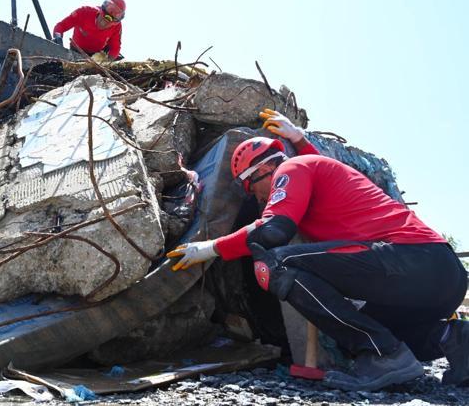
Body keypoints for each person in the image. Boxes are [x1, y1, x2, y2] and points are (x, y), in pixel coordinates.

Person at [168, 109, 468, 391]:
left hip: (410, 260)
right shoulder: (310, 168)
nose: (257, 198)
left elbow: (273, 230)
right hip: (443, 275)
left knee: (274, 265)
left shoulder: (290, 169)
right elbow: (315, 165)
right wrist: (299, 139)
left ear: (265, 169)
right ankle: (457, 341)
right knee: (378, 326)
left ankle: (383, 356)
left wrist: (211, 248)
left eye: (251, 188)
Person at [53, 0, 125, 61]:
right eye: (110, 10)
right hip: (76, 51)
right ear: (101, 10)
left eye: (108, 23)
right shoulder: (84, 12)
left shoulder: (117, 27)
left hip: (97, 55)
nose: (103, 24)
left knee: (115, 56)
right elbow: (61, 26)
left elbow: (115, 47)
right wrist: (58, 40)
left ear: (115, 22)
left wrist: (108, 61)